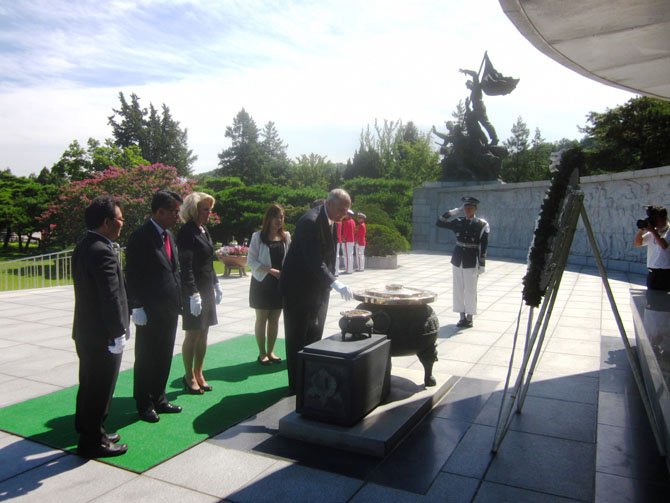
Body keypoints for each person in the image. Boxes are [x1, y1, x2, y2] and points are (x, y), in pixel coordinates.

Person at [280, 188, 354, 393]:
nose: (344, 214)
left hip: (318, 288)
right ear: (328, 203)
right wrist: (334, 283)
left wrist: (332, 278)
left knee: (314, 334)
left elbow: (329, 255)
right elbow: (314, 259)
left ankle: (310, 379)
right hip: (298, 288)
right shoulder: (309, 222)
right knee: (298, 337)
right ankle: (296, 386)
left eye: (347, 210)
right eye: (341, 209)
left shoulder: (331, 220)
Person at [72, 196, 129, 458]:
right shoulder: (102, 250)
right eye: (119, 218)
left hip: (87, 331)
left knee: (89, 383)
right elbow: (111, 296)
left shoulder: (85, 245)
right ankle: (93, 441)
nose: (122, 222)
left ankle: (91, 428)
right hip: (102, 334)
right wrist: (118, 332)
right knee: (100, 387)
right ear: (107, 222)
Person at [126, 189, 184, 423]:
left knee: (164, 355)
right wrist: (136, 306)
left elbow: (174, 269)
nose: (176, 216)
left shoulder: (168, 235)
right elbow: (133, 274)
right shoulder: (140, 236)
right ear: (159, 211)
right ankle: (144, 403)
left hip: (170, 307)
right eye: (173, 211)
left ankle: (159, 398)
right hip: (149, 309)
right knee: (147, 357)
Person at [177, 192, 222, 394]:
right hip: (193, 290)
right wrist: (193, 293)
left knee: (204, 333)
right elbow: (185, 265)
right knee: (193, 335)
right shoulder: (187, 232)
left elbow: (208, 261)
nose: (209, 213)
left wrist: (216, 283)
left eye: (210, 209)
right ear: (194, 210)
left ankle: (199, 372)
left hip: (206, 288)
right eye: (205, 209)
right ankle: (188, 376)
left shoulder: (203, 230)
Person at [247, 204, 291, 365]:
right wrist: (272, 271)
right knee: (262, 318)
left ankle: (271, 351)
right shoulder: (258, 236)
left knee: (274, 319)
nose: (279, 220)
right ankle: (262, 353)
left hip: (280, 284)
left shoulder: (286, 236)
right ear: (269, 218)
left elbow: (291, 259)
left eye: (282, 217)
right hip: (262, 282)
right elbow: (251, 261)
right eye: (276, 217)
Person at [436, 196, 489, 328]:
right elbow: (439, 222)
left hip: (471, 259)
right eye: (465, 208)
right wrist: (453, 212)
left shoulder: (482, 224)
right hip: (457, 259)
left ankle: (470, 317)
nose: (467, 210)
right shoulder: (458, 221)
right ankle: (461, 316)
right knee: (458, 289)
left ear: (475, 209)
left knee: (470, 290)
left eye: (470, 208)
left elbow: (484, 245)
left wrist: (482, 264)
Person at [633, 205, 670, 291]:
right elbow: (637, 243)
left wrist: (653, 231)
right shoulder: (653, 233)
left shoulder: (668, 231)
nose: (654, 222)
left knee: (663, 302)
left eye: (655, 219)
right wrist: (641, 230)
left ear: (663, 218)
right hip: (652, 274)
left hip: (666, 274)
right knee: (651, 301)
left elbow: (664, 245)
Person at [459, 68, 498, 145]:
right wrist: (467, 105)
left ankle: (494, 138)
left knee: (485, 123)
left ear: (472, 83)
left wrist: (465, 71)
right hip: (475, 109)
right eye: (467, 86)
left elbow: (474, 73)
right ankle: (481, 139)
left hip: (480, 108)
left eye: (468, 84)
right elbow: (469, 109)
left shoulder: (476, 86)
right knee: (470, 120)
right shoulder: (471, 94)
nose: (467, 87)